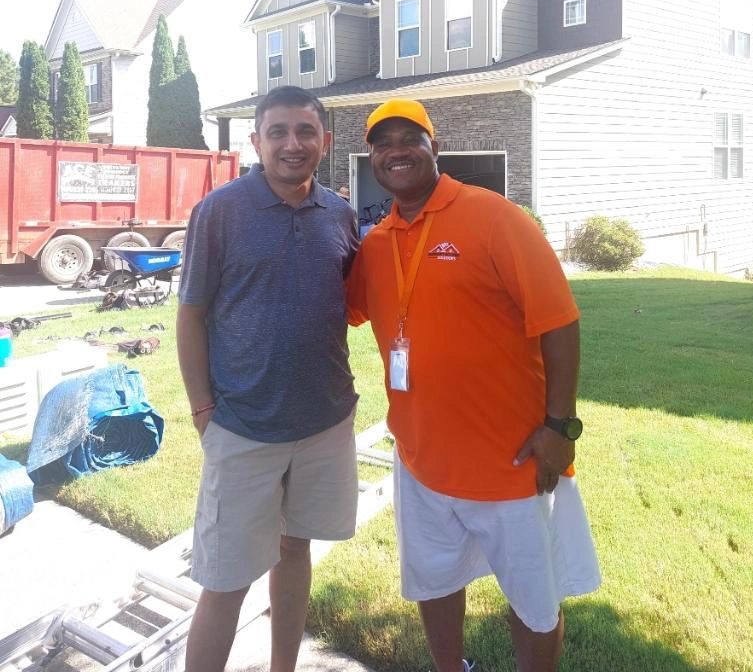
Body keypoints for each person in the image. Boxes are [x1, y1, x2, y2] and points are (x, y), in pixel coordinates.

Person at [346, 99, 600, 672]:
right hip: (420, 461)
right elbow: (340, 309)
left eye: (409, 138)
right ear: (372, 158)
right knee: (433, 583)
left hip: (510, 461)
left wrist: (560, 427)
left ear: (435, 147)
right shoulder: (376, 243)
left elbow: (559, 322)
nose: (396, 151)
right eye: (382, 143)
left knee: (534, 599)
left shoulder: (494, 218)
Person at [177, 85, 359, 672]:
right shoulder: (220, 211)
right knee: (225, 578)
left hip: (324, 421)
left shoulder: (341, 214)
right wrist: (203, 408)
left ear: (325, 142)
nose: (292, 144)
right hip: (242, 424)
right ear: (256, 141)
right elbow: (191, 315)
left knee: (295, 547)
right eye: (277, 132)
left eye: (305, 131)